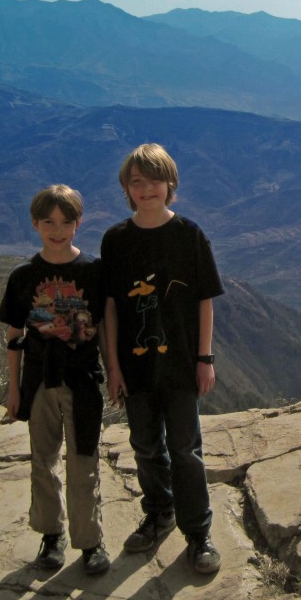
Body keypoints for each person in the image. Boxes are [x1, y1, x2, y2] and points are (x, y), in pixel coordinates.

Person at [101, 143, 225, 574]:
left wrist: (204, 358)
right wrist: (113, 367)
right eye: (137, 181)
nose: (146, 188)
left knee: (185, 448)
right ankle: (159, 513)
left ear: (170, 184)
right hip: (134, 367)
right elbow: (112, 306)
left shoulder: (189, 234)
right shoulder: (116, 241)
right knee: (145, 446)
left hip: (181, 364)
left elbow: (206, 300)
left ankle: (199, 534)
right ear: (127, 189)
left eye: (154, 179)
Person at [0, 184, 110, 575]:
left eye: (66, 221)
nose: (57, 230)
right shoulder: (23, 277)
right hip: (39, 380)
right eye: (49, 222)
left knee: (84, 462)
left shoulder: (93, 272)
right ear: (35, 224)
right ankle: (51, 535)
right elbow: (14, 338)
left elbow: (105, 326)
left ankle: (91, 542)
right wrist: (14, 391)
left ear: (78, 224)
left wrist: (115, 375)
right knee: (43, 462)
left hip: (82, 380)